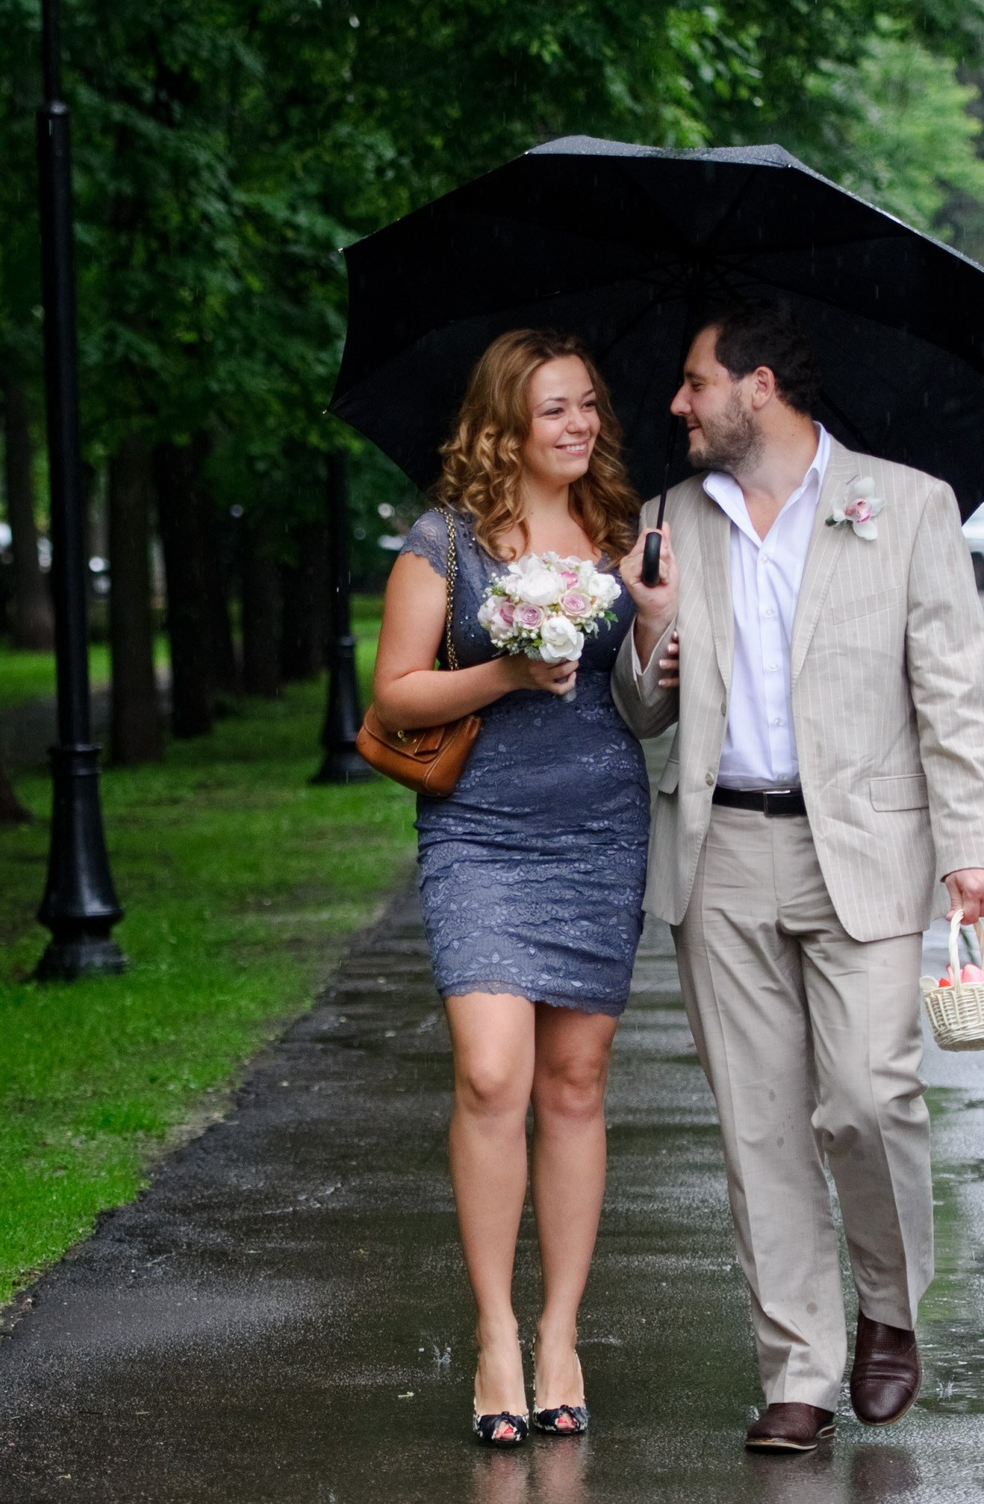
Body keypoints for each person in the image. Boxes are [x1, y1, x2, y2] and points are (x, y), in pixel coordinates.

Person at [611, 303, 984, 1455]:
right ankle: (797, 1367)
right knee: (757, 1127)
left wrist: (975, 844)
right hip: (720, 853)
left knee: (867, 1096)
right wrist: (647, 636)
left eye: (695, 382)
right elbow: (639, 709)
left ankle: (887, 1306)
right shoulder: (665, 520)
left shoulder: (906, 504)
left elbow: (955, 692)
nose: (676, 404)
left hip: (869, 850)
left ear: (763, 386)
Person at [371, 327, 658, 1447]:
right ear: (504, 425)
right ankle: (493, 1329)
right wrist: (509, 667)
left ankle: (560, 1334)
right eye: (554, 410)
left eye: (588, 404)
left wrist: (657, 629)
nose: (580, 425)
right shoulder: (442, 542)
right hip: (481, 832)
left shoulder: (624, 538)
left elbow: (647, 700)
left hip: (599, 823)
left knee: (575, 1083)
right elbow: (395, 692)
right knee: (493, 1073)